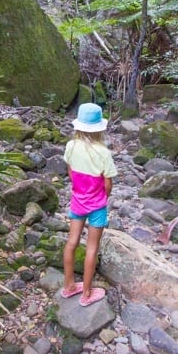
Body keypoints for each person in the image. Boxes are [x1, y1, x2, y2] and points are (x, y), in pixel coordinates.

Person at [61, 103, 117, 307]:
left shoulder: (71, 146)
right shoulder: (103, 152)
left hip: (78, 200)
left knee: (72, 242)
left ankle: (68, 286)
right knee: (92, 248)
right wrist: (102, 196)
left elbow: (70, 172)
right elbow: (108, 184)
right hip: (97, 205)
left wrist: (79, 189)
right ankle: (86, 293)